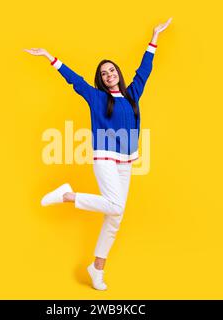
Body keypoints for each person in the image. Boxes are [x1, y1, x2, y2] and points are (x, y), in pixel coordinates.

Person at [24, 17, 172, 290]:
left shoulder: (132, 95)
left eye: (111, 70)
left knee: (115, 217)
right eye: (103, 73)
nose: (108, 75)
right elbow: (75, 80)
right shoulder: (96, 98)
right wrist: (50, 58)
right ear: (101, 79)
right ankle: (67, 195)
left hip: (126, 160)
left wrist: (154, 38)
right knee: (115, 206)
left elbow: (144, 71)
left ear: (118, 72)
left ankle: (97, 268)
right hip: (104, 155)